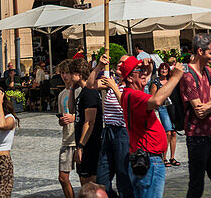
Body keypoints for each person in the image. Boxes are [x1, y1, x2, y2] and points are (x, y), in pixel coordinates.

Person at [103, 55, 184, 198]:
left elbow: (145, 79)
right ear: (129, 78)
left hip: (145, 158)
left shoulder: (130, 94)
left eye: (143, 70)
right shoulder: (133, 95)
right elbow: (157, 100)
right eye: (138, 70)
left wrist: (148, 68)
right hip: (150, 159)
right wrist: (176, 77)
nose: (143, 73)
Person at [179, 31, 211, 197]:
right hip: (196, 137)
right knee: (196, 185)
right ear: (200, 51)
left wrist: (210, 105)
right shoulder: (188, 76)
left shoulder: (208, 72)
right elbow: (199, 111)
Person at [89, 53, 134, 198]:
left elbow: (127, 106)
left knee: (123, 176)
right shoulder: (112, 81)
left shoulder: (131, 86)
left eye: (123, 63)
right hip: (108, 131)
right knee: (102, 179)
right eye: (119, 62)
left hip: (123, 132)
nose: (119, 64)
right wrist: (99, 67)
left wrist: (114, 87)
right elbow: (90, 84)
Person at [72, 58, 103, 188]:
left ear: (79, 74)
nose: (66, 76)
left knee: (89, 186)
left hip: (90, 145)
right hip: (85, 144)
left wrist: (80, 146)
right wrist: (71, 89)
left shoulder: (90, 93)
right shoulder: (82, 92)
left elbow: (90, 122)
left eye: (70, 73)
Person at [56, 62, 78, 198]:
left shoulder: (79, 91)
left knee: (85, 179)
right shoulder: (61, 94)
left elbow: (87, 115)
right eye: (62, 73)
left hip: (79, 138)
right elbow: (61, 115)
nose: (64, 76)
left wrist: (73, 117)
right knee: (62, 177)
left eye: (67, 73)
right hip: (67, 139)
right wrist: (61, 121)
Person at [152, 60, 179, 166]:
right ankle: (164, 157)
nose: (164, 70)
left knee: (174, 132)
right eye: (162, 69)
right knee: (167, 132)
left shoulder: (170, 81)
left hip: (172, 107)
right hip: (163, 107)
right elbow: (153, 97)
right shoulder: (156, 82)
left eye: (166, 69)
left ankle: (172, 157)